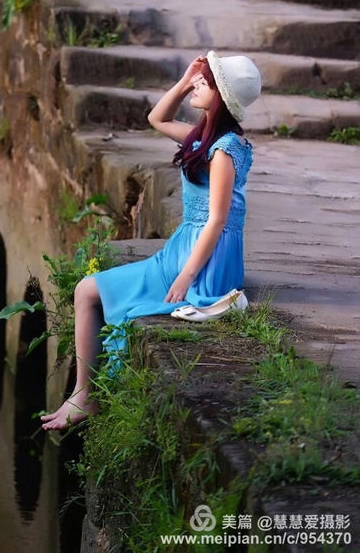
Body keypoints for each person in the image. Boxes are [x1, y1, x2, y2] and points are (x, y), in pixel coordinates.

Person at [41, 50, 261, 432]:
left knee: (87, 290)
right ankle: (82, 393)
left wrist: (187, 276)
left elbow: (218, 220)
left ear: (222, 98)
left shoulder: (224, 150)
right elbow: (156, 118)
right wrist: (186, 78)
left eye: (205, 82)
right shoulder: (203, 138)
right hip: (183, 248)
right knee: (86, 291)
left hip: (202, 260)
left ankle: (84, 396)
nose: (196, 84)